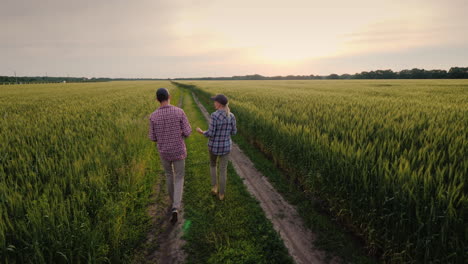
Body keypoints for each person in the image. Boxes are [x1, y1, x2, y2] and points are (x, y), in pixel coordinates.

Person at [149, 88, 191, 224]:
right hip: (178, 150)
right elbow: (188, 131)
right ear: (169, 97)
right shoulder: (179, 112)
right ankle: (176, 207)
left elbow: (152, 137)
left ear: (157, 99)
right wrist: (180, 134)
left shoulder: (153, 116)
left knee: (169, 175)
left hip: (164, 152)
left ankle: (173, 202)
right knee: (179, 177)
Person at [196, 94, 237, 201]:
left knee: (213, 165)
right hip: (226, 147)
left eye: (215, 101)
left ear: (219, 103)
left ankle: (214, 187)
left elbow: (211, 133)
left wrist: (202, 132)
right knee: (223, 170)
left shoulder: (214, 115)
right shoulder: (231, 116)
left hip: (214, 146)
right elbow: (234, 132)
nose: (214, 103)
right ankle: (221, 194)